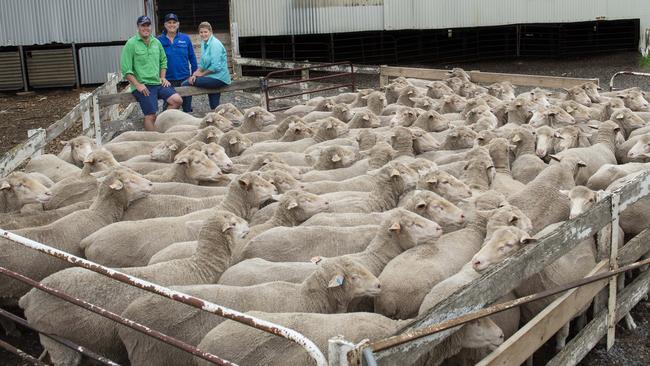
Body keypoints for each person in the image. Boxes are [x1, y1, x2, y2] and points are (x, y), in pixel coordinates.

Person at [121, 15, 182, 131]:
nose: (146, 28)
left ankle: (161, 125)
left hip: (157, 82)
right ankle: (154, 141)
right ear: (138, 27)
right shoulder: (131, 44)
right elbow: (126, 69)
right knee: (150, 116)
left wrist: (163, 77)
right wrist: (137, 84)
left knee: (177, 100)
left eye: (147, 25)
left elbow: (163, 60)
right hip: (143, 85)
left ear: (151, 27)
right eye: (142, 25)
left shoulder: (156, 42)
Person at [181, 21, 231, 111]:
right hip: (211, 76)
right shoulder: (204, 43)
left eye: (205, 32)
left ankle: (187, 111)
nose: (203, 34)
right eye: (201, 32)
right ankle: (217, 116)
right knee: (214, 107)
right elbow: (203, 64)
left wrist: (202, 74)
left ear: (210, 32)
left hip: (219, 78)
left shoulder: (215, 44)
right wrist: (195, 74)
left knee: (186, 83)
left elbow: (215, 67)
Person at [158, 13, 197, 112]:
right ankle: (166, 126)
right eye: (169, 22)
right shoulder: (158, 41)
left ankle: (188, 127)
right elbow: (155, 61)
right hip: (167, 81)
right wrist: (160, 77)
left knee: (187, 108)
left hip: (185, 78)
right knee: (169, 109)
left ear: (178, 24)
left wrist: (194, 74)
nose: (172, 25)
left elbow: (192, 58)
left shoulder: (185, 39)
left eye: (174, 22)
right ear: (165, 25)